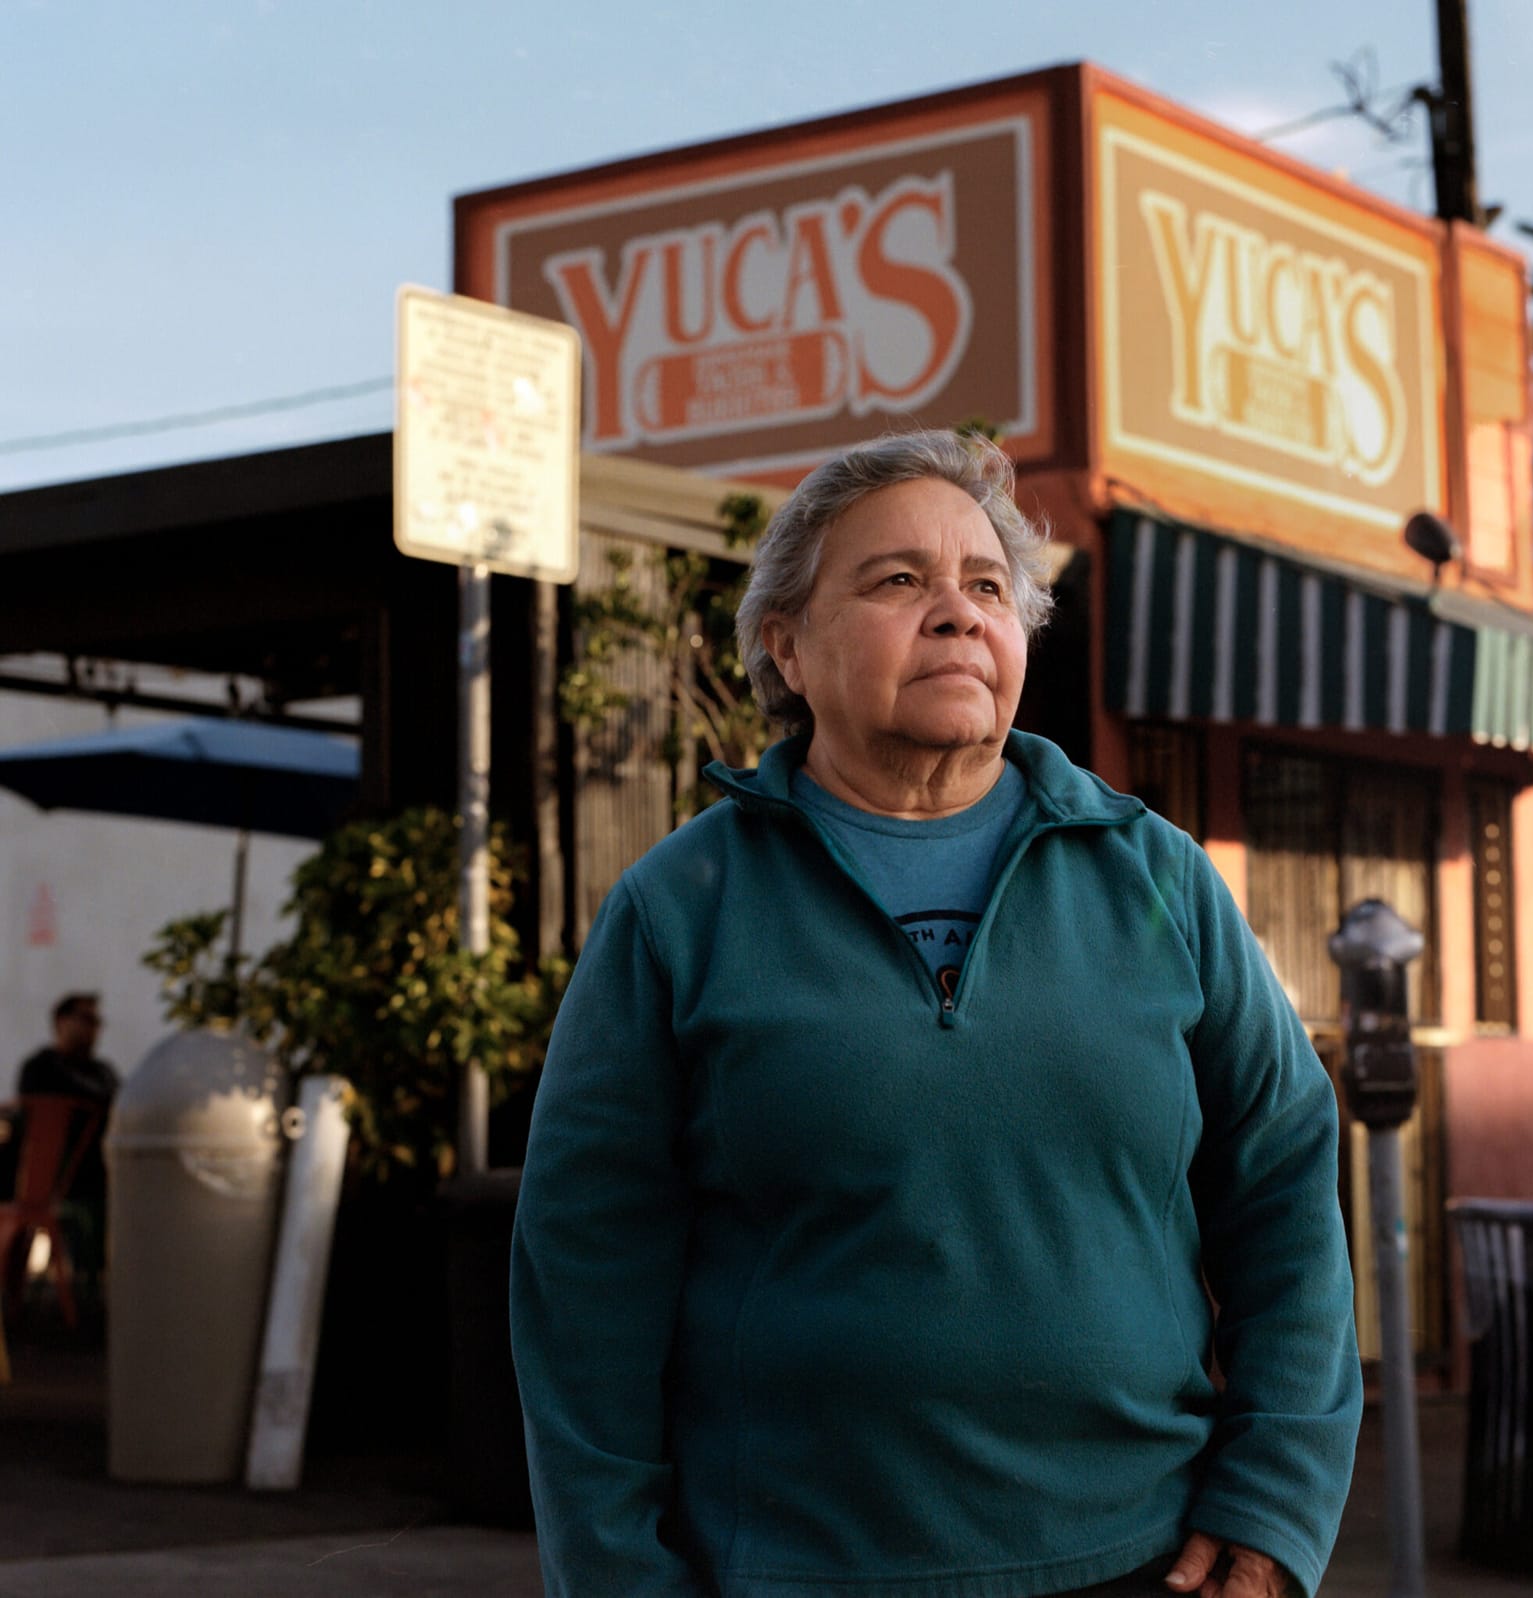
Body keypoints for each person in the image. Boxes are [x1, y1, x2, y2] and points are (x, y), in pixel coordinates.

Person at [512, 430, 1363, 1598]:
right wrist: (615, 1575)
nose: (958, 613)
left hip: (1141, 1562)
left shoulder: (1154, 876)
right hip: (789, 1569)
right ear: (786, 646)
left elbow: (1284, 1188)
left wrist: (1276, 1501)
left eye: (987, 586)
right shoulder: (681, 907)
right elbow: (583, 1279)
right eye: (897, 579)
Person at [10, 993, 119, 1278]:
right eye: (86, 1019)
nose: (93, 1028)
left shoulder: (103, 1073)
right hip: (50, 1179)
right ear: (62, 1021)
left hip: (97, 1177)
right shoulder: (43, 1067)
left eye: (96, 1022)